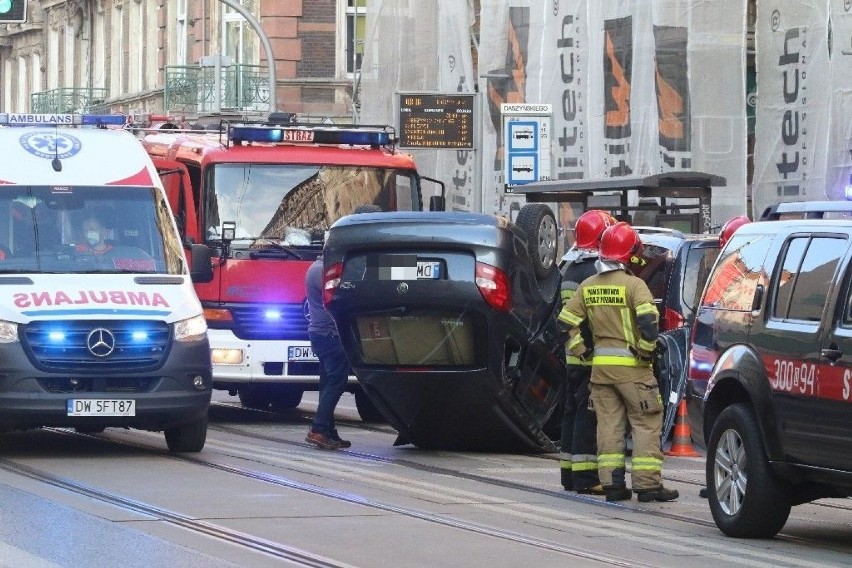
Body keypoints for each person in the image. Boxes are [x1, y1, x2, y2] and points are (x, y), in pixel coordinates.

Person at [558, 221, 678, 503]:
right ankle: (648, 485)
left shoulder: (588, 286)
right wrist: (646, 352)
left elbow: (565, 324)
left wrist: (582, 351)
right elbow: (649, 324)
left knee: (609, 426)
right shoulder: (634, 285)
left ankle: (613, 485)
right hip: (634, 372)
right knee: (646, 423)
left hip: (600, 371)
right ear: (629, 253)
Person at [305, 204, 383, 450]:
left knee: (328, 381)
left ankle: (328, 430)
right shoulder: (324, 272)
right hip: (330, 335)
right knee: (337, 380)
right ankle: (319, 427)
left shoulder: (317, 268)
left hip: (321, 335)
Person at [559, 210, 616, 495]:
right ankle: (585, 479)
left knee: (571, 412)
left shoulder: (569, 268)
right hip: (589, 356)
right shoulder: (594, 272)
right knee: (588, 415)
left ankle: (569, 474)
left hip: (572, 355)